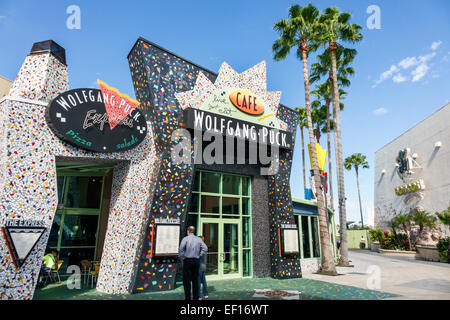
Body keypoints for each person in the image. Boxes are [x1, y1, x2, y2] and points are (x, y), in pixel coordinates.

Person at [179, 226, 207, 300]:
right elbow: (205, 248)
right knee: (195, 280)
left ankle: (187, 297)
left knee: (186, 281)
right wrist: (199, 255)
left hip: (187, 261)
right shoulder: (198, 239)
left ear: (188, 231)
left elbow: (181, 249)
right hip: (196, 261)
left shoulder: (185, 239)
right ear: (194, 231)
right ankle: (195, 297)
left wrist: (182, 258)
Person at [198, 235, 208, 300]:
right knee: (203, 281)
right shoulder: (204, 247)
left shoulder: (200, 248)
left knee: (198, 282)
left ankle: (199, 296)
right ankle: (205, 294)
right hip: (203, 266)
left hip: (199, 267)